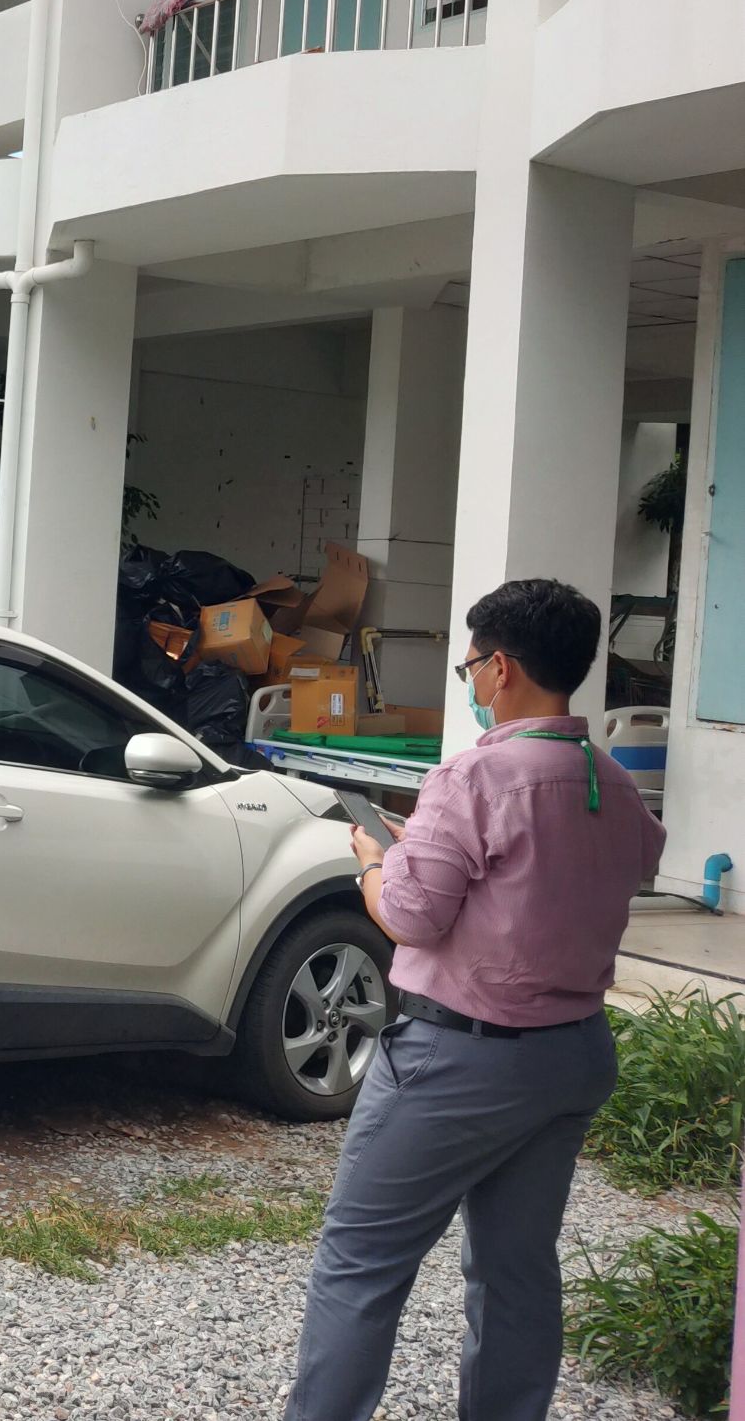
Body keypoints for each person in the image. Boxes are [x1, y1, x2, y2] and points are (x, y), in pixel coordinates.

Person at [288, 577, 667, 1421]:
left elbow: (413, 917)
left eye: (468, 667)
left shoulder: (475, 775)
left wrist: (376, 863)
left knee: (360, 1261)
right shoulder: (609, 779)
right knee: (515, 1267)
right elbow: (632, 859)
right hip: (571, 1053)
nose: (469, 682)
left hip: (458, 1057)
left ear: (502, 668)